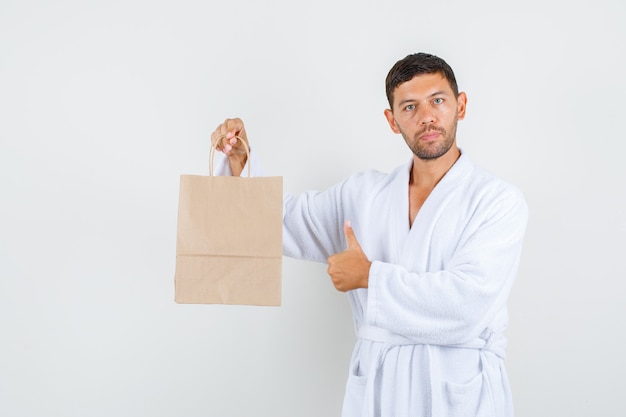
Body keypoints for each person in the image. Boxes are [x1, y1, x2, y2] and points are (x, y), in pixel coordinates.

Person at [210, 52, 528, 417]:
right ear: (392, 121)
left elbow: (467, 305)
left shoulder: (497, 200)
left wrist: (369, 277)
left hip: (457, 389)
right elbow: (283, 222)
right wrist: (241, 163)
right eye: (409, 107)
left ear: (461, 105)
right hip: (380, 387)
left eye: (437, 101)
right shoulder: (363, 194)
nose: (426, 117)